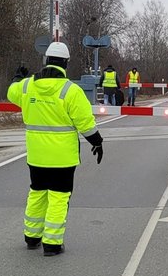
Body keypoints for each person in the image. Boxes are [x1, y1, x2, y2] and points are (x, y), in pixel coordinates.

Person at [7, 42, 104, 255]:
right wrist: (97, 141)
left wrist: (17, 78)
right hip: (63, 157)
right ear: (66, 64)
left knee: (37, 192)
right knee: (59, 197)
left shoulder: (27, 86)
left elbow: (11, 92)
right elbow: (85, 123)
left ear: (46, 60)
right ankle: (52, 243)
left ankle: (32, 237)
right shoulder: (71, 90)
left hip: (36, 155)